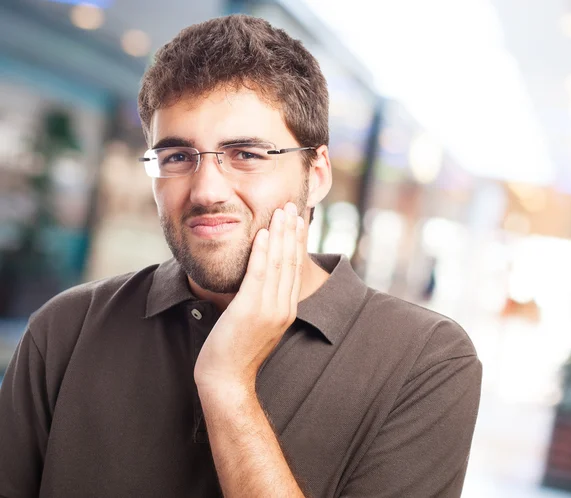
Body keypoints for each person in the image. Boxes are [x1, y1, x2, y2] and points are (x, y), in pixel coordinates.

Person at [0, 14, 481, 498]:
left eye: (246, 154)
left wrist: (228, 386)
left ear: (316, 173)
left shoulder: (426, 361)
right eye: (177, 157)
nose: (207, 190)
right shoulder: (66, 329)